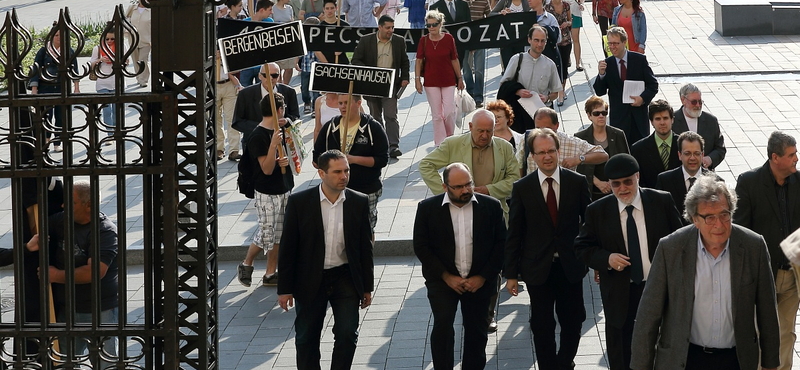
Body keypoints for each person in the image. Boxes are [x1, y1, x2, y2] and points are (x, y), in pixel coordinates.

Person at [631, 174, 780, 370]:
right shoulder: (671, 248)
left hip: (736, 360)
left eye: (724, 214)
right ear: (695, 219)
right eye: (709, 217)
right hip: (685, 359)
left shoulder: (754, 247)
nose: (719, 224)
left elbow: (767, 311)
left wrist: (770, 364)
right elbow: (648, 315)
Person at [574, 153, 682, 370]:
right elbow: (581, 247)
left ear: (638, 177)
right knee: (621, 354)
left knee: (663, 348)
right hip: (620, 293)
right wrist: (606, 258)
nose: (623, 188)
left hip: (657, 289)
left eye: (627, 182)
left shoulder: (661, 201)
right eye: (616, 184)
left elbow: (680, 240)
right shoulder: (597, 211)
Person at [277, 150, 374, 370]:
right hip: (310, 278)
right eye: (337, 171)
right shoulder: (300, 202)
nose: (344, 176)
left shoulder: (358, 202)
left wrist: (366, 287)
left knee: (348, 333)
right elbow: (288, 248)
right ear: (321, 173)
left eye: (347, 170)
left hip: (345, 277)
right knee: (306, 338)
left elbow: (364, 248)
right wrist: (285, 289)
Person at [505, 128, 591, 370]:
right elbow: (514, 233)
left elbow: (591, 224)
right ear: (532, 155)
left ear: (558, 151)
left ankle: (564, 363)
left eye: (551, 151)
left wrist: (594, 259)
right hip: (537, 268)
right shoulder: (522, 188)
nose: (547, 156)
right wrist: (511, 274)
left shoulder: (577, 182)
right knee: (542, 325)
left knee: (573, 321)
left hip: (570, 266)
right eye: (541, 152)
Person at [413, 162, 506, 370]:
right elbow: (421, 246)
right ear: (445, 187)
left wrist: (482, 277)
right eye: (459, 187)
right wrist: (446, 276)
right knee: (443, 327)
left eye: (468, 184)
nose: (465, 190)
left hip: (479, 281)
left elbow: (501, 245)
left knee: (477, 331)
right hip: (443, 281)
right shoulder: (428, 209)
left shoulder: (491, 207)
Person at [26, 180, 119, 368]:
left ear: (89, 205)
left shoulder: (105, 231)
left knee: (105, 365)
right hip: (67, 311)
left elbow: (94, 272)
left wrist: (55, 275)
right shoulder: (62, 220)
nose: (63, 205)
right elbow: (36, 227)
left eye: (71, 202)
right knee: (65, 364)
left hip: (99, 312)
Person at [733, 131, 800, 370]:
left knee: (785, 333)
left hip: (791, 276)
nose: (796, 159)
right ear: (775, 157)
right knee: (761, 333)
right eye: (792, 155)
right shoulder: (749, 182)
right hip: (762, 276)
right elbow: (740, 230)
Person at [419, 109, 520, 220]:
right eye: (480, 131)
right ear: (471, 126)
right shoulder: (452, 144)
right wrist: (447, 193)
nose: (485, 136)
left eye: (489, 131)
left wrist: (489, 190)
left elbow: (515, 179)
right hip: (460, 212)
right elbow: (426, 165)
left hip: (494, 212)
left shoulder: (505, 147)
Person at [237, 93, 293, 288]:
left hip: (283, 187)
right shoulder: (258, 136)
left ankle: (270, 273)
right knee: (267, 233)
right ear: (279, 110)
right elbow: (267, 169)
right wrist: (273, 147)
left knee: (278, 233)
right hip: (267, 191)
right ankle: (247, 263)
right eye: (283, 107)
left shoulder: (281, 129)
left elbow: (286, 158)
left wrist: (285, 160)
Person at [313, 94, 390, 236]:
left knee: (366, 229)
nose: (342, 106)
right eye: (340, 103)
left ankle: (366, 257)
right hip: (336, 189)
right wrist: (331, 166)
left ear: (358, 103)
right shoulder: (331, 126)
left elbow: (382, 159)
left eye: (346, 103)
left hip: (366, 187)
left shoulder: (372, 127)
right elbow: (316, 157)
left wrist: (354, 159)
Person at [351, 15, 411, 159]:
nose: (391, 30)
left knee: (391, 115)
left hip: (390, 85)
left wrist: (405, 78)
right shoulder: (366, 40)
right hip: (372, 85)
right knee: (375, 116)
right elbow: (355, 60)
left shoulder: (398, 41)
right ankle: (381, 144)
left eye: (392, 27)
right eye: (388, 27)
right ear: (380, 27)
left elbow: (404, 61)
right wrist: (370, 73)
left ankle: (394, 145)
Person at [592, 26, 657, 145]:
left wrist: (642, 99)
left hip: (638, 119)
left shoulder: (639, 60)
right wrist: (601, 75)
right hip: (619, 120)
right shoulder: (608, 64)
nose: (612, 47)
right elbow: (600, 91)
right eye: (610, 43)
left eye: (616, 43)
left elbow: (653, 85)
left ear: (624, 42)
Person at [497, 25, 562, 133]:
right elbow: (503, 85)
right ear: (529, 40)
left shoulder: (550, 65)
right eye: (536, 40)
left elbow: (556, 92)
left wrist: (547, 98)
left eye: (542, 41)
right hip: (519, 115)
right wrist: (518, 91)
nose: (539, 44)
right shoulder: (517, 59)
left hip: (540, 116)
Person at [415, 10, 465, 147]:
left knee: (449, 111)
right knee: (437, 115)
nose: (431, 28)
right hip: (431, 82)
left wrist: (460, 78)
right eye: (428, 25)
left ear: (440, 24)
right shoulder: (423, 40)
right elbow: (418, 60)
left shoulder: (448, 38)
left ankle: (449, 137)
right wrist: (417, 79)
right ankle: (440, 143)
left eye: (434, 24)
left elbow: (454, 59)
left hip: (449, 80)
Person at [30, 26, 80, 153]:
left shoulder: (69, 51)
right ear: (51, 37)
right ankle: (46, 139)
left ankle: (57, 143)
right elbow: (36, 69)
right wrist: (34, 89)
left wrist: (76, 87)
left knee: (61, 116)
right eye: (56, 35)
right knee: (46, 115)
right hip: (45, 87)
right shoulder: (44, 51)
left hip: (62, 87)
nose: (59, 38)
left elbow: (74, 69)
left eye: (61, 35)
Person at [518, 108, 608, 176]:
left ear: (556, 125)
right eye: (538, 128)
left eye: (547, 128)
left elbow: (603, 155)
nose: (542, 132)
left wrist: (579, 159)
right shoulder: (526, 139)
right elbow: (519, 167)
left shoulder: (571, 142)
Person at [232, 62, 299, 150]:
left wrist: (286, 121)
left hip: (282, 144)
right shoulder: (245, 94)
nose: (271, 78)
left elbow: (295, 116)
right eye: (266, 75)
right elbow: (237, 122)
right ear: (259, 76)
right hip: (255, 144)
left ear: (279, 76)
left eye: (274, 75)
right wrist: (261, 128)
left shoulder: (289, 92)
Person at [574, 96, 629, 201]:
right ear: (589, 116)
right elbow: (579, 167)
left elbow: (626, 161)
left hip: (617, 190)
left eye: (604, 113)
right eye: (596, 113)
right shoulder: (580, 137)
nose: (601, 116)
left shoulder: (618, 134)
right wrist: (598, 182)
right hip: (592, 191)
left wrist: (613, 181)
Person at [656, 131, 718, 218]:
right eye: (687, 153)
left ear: (702, 155)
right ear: (679, 155)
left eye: (696, 153)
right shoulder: (665, 181)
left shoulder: (716, 182)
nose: (692, 158)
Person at [216, 0, 245, 161]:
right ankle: (219, 149)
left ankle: (234, 149)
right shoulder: (208, 49)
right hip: (213, 85)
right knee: (216, 119)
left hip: (228, 84)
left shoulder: (230, 47)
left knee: (231, 118)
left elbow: (237, 67)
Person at [672, 83, 726, 170]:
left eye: (700, 102)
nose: (698, 105)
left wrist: (710, 159)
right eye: (694, 102)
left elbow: (720, 149)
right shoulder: (672, 121)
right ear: (683, 100)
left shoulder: (711, 121)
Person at [629, 99, 681, 189]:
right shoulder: (638, 149)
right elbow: (638, 182)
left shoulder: (683, 145)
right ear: (651, 122)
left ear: (672, 120)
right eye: (658, 119)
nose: (662, 123)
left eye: (665, 118)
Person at [89, 26, 120, 143]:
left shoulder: (121, 47)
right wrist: (100, 60)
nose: (109, 41)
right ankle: (110, 134)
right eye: (107, 39)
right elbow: (91, 64)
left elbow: (126, 62)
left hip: (116, 82)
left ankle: (117, 131)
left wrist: (115, 60)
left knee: (117, 109)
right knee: (106, 110)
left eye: (112, 39)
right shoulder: (98, 48)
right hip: (102, 82)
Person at [461, 0, 490, 108]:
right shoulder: (461, 2)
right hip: (464, 41)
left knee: (479, 70)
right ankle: (470, 92)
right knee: (466, 69)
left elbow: (490, 16)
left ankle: (478, 97)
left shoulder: (483, 1)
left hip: (479, 39)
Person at [239, 0, 275, 87]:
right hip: (247, 64)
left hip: (262, 64)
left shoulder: (269, 22)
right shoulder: (245, 22)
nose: (271, 12)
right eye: (269, 10)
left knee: (263, 89)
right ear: (262, 10)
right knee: (245, 90)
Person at [544, 0, 571, 106]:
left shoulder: (566, 5)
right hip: (554, 43)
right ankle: (555, 90)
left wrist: (567, 23)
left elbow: (570, 21)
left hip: (566, 40)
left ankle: (562, 92)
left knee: (564, 66)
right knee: (555, 67)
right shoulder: (547, 7)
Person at [490, 0, 531, 72]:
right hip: (506, 41)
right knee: (508, 68)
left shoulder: (526, 3)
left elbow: (531, 17)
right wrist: (501, 13)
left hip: (521, 41)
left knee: (519, 68)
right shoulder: (505, 1)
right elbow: (491, 14)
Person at [298, 17, 321, 116]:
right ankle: (307, 102)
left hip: (316, 67)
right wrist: (296, 62)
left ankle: (315, 108)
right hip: (305, 67)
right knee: (305, 88)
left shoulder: (318, 39)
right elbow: (299, 51)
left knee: (316, 89)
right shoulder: (303, 38)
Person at [317, 0, 351, 65]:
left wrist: (341, 49)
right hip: (325, 63)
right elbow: (316, 49)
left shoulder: (345, 26)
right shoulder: (319, 28)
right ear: (323, 9)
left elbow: (350, 44)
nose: (330, 11)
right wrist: (326, 63)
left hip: (342, 62)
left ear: (336, 8)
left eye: (332, 8)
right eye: (327, 8)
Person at [126, 0, 151, 88]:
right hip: (133, 39)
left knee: (143, 59)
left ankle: (143, 80)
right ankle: (138, 77)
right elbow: (125, 20)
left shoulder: (151, 10)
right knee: (135, 60)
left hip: (146, 40)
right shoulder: (132, 8)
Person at [570, 0, 584, 71]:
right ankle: (567, 59)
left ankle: (577, 63)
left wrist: (581, 3)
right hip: (561, 11)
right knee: (563, 39)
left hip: (575, 12)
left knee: (576, 39)